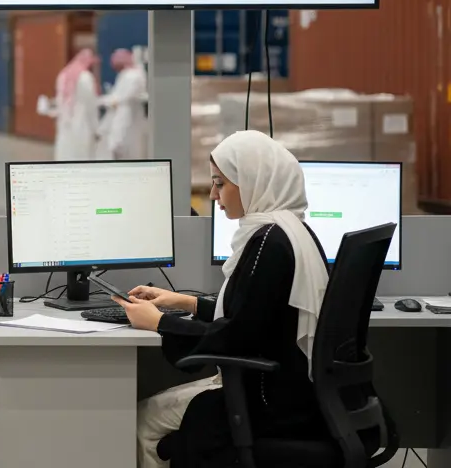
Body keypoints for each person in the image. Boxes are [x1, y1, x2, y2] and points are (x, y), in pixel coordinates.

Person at [113, 129, 330, 468]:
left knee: (143, 423)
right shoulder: (290, 230)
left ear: (253, 181)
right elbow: (253, 314)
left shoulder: (269, 244)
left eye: (220, 183)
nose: (213, 194)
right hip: (292, 393)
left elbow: (234, 338)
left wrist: (159, 323)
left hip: (266, 403)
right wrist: (185, 302)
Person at [97, 47, 148, 160]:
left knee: (123, 145)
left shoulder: (132, 76)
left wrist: (104, 101)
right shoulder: (127, 74)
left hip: (127, 115)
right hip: (123, 114)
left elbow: (121, 97)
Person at [53, 48, 100, 160]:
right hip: (82, 122)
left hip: (65, 120)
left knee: (65, 151)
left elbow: (59, 99)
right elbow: (91, 105)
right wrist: (96, 128)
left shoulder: (63, 74)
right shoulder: (86, 77)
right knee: (80, 154)